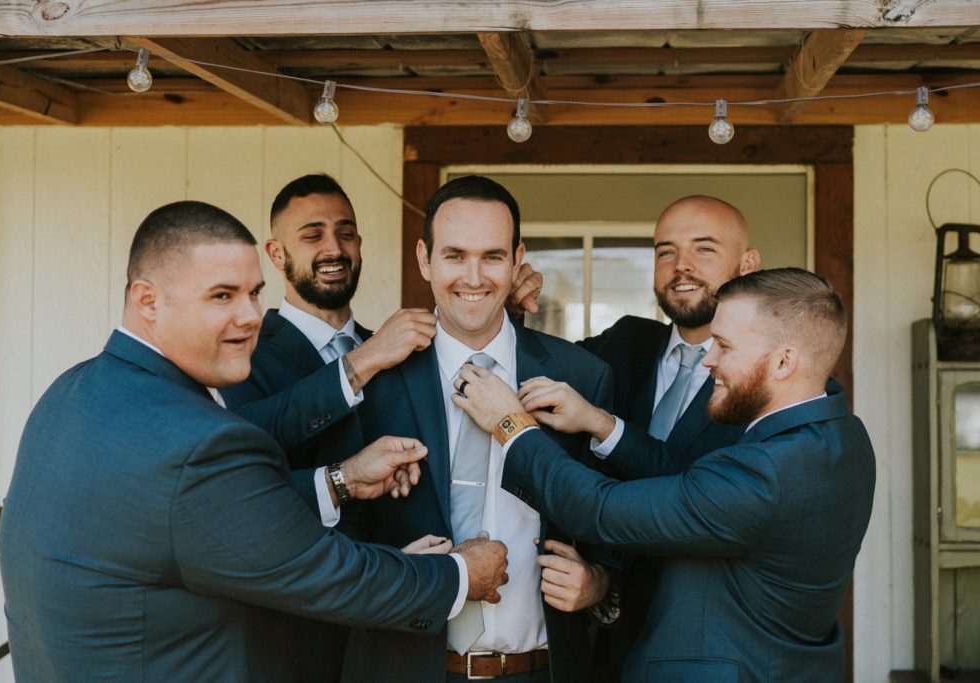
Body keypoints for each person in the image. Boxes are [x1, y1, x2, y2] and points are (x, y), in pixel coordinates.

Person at [0, 200, 509, 682]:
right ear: (147, 300)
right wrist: (459, 573)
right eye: (222, 296)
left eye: (254, 293)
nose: (248, 317)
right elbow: (330, 577)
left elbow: (196, 517)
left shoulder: (72, 390)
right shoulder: (202, 442)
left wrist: (341, 481)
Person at [455, 267, 876, 683]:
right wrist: (601, 423)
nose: (708, 359)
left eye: (724, 346)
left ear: (785, 361)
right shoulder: (842, 435)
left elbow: (597, 509)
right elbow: (693, 485)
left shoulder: (767, 476)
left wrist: (510, 425)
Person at [341, 176, 615, 682]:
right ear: (425, 259)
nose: (473, 276)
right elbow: (339, 530)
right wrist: (397, 571)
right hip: (405, 666)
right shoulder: (374, 378)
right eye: (454, 256)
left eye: (492, 256)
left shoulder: (580, 376)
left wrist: (598, 581)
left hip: (543, 667)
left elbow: (613, 520)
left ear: (517, 260)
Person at [512, 195, 761, 670]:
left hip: (708, 651)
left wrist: (603, 424)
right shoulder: (626, 342)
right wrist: (510, 310)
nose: (680, 266)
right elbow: (536, 371)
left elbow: (699, 498)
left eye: (703, 249)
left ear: (747, 263)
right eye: (665, 250)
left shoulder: (762, 378)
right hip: (602, 648)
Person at [220, 174, 438, 680]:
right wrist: (363, 361)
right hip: (292, 640)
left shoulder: (399, 352)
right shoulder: (242, 354)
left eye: (346, 232)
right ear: (276, 254)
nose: (333, 248)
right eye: (313, 234)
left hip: (397, 631)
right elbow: (244, 454)